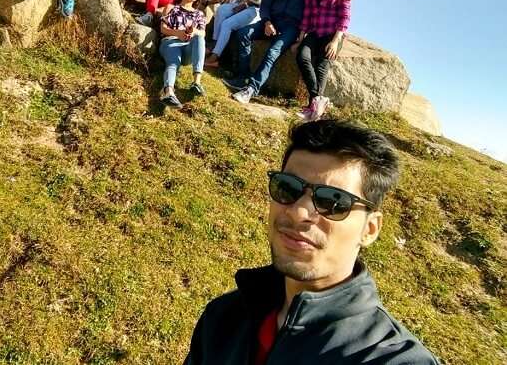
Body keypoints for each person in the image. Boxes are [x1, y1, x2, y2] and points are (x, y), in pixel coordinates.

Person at [183, 119, 440, 365]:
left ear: (370, 229)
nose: (298, 212)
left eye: (333, 201)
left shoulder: (389, 358)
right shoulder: (224, 318)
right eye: (288, 187)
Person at [227, 0, 354, 105]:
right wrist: (267, 22)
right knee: (243, 33)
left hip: (292, 28)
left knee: (273, 51)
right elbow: (265, 5)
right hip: (271, 22)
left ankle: (251, 89)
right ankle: (242, 77)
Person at [293, 0, 350, 121]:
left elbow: (344, 17)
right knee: (302, 57)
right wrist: (300, 38)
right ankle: (318, 102)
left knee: (322, 66)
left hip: (333, 35)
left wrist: (335, 41)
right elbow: (306, 15)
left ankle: (312, 106)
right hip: (314, 33)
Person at [159, 0, 207, 108]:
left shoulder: (199, 14)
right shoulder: (171, 7)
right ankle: (168, 92)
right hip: (170, 42)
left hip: (188, 47)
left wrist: (194, 31)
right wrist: (177, 33)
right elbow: (162, 29)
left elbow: (203, 33)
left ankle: (196, 82)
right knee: (173, 62)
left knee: (199, 38)